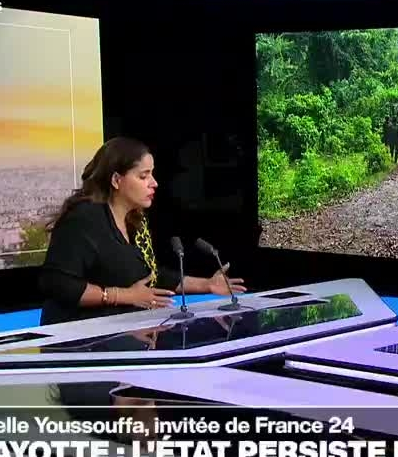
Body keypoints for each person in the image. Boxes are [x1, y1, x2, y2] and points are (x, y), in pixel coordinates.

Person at [38, 137, 246, 325]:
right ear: (116, 180)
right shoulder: (84, 218)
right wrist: (122, 296)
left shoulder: (135, 219)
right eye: (143, 176)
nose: (154, 183)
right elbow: (58, 283)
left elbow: (149, 277)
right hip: (78, 339)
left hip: (124, 333)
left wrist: (207, 285)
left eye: (152, 174)